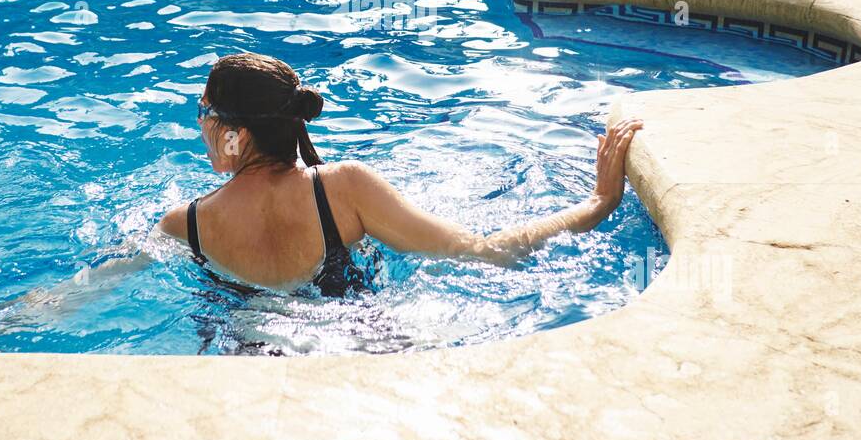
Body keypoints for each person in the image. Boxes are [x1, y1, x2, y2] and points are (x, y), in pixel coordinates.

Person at [153, 52, 644, 297]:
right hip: (361, 343)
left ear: (232, 133)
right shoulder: (345, 188)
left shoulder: (185, 225)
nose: (201, 124)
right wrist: (596, 202)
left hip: (244, 363)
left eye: (204, 111)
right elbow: (483, 252)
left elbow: (95, 287)